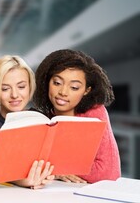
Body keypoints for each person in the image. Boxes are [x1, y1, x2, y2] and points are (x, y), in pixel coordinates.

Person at [33, 49, 121, 184]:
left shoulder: (94, 113)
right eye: (57, 83)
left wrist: (55, 168)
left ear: (86, 90)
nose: (63, 92)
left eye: (74, 87)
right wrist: (57, 173)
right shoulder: (41, 117)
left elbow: (108, 172)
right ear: (47, 82)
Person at [0, 55, 54, 189]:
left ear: (30, 87)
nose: (15, 95)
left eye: (21, 87)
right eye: (5, 89)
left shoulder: (40, 118)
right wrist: (19, 179)